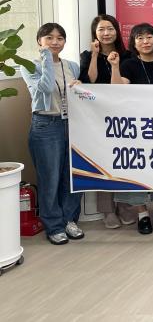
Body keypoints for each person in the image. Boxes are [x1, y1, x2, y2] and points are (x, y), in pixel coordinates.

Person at [20, 23, 84, 245]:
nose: (55, 42)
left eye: (60, 38)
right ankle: (54, 226)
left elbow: (76, 95)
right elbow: (46, 88)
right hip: (46, 125)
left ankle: (69, 220)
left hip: (71, 124)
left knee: (73, 175)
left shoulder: (72, 66)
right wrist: (46, 57)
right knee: (50, 179)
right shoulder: (30, 66)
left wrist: (78, 86)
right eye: (49, 37)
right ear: (39, 41)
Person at [108, 22, 153, 234]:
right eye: (140, 38)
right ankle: (142, 214)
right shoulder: (129, 64)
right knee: (138, 168)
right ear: (133, 43)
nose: (145, 41)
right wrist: (115, 67)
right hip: (137, 126)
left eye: (149, 37)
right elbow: (117, 90)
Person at [78, 14, 134, 229]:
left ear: (117, 31)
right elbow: (89, 80)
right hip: (96, 115)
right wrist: (94, 54)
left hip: (123, 114)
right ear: (95, 33)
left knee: (124, 159)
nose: (106, 33)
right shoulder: (87, 55)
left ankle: (124, 205)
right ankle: (107, 210)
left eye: (110, 28)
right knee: (102, 161)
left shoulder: (127, 55)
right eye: (101, 29)